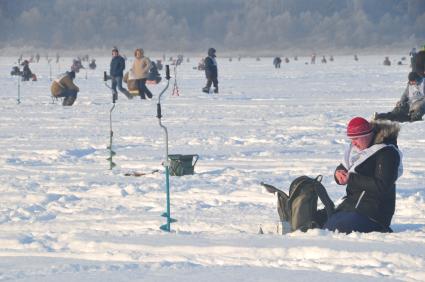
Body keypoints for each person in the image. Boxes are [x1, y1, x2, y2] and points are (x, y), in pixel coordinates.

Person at [321, 117, 403, 234]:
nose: (353, 143)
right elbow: (344, 166)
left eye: (356, 139)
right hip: (351, 206)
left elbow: (382, 186)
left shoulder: (387, 153)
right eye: (351, 139)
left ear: (368, 134)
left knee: (336, 229)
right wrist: (338, 173)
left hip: (374, 213)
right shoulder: (356, 148)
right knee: (323, 225)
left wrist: (351, 179)